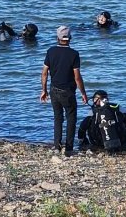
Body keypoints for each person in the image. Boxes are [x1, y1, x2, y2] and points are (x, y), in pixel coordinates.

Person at [40, 25, 87, 155]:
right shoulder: (74, 54)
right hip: (68, 92)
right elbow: (77, 77)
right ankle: (69, 148)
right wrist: (83, 93)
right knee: (71, 118)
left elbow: (44, 73)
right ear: (70, 38)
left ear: (57, 38)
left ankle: (57, 146)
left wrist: (44, 90)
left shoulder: (50, 51)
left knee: (57, 118)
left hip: (54, 89)